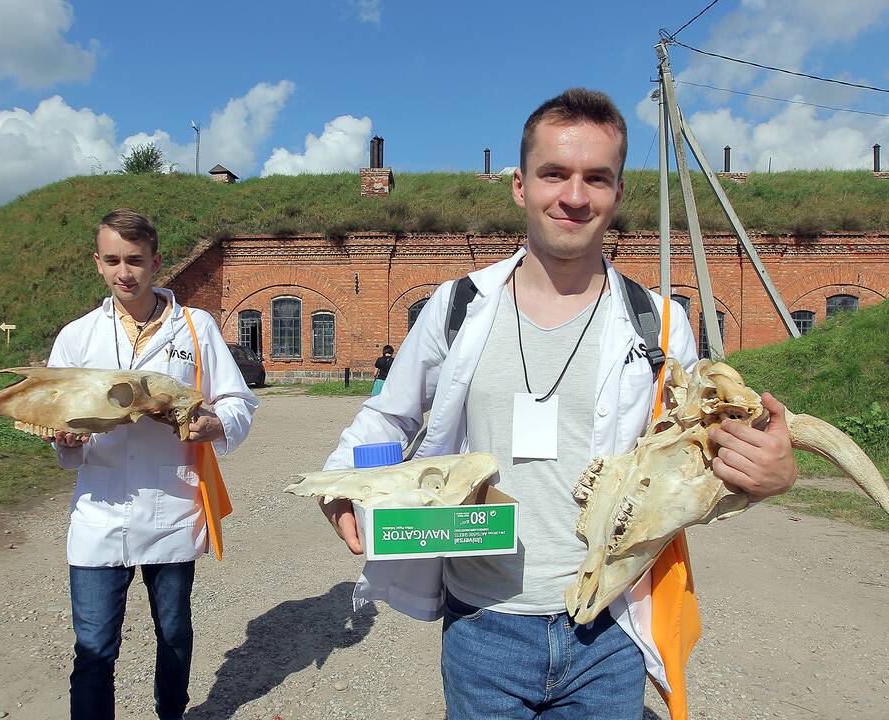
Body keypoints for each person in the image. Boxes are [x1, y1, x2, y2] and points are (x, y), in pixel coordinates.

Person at [318, 89, 796, 719]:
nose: (574, 196)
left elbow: (697, 455)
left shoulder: (659, 324)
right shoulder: (459, 306)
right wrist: (342, 480)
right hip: (482, 625)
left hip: (608, 628)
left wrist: (769, 476)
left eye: (596, 178)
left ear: (618, 192)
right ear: (520, 185)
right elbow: (390, 413)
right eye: (555, 174)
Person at [45, 208, 258, 720]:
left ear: (156, 262)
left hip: (172, 506)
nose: (125, 272)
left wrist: (213, 425)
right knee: (94, 649)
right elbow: (57, 429)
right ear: (97, 263)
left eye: (136, 260)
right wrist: (66, 439)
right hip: (99, 511)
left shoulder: (195, 327)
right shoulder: (77, 337)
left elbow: (238, 403)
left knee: (174, 633)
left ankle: (172, 713)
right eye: (113, 260)